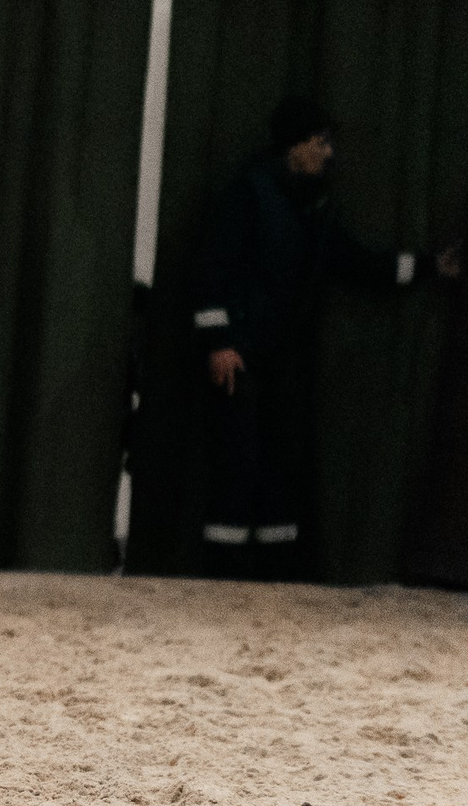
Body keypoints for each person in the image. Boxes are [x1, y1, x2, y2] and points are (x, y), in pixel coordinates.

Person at [192, 95, 458, 578]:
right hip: (243, 355)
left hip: (284, 359)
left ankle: (273, 574)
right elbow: (215, 269)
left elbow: (356, 262)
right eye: (321, 142)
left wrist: (429, 267)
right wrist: (221, 343)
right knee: (238, 460)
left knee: (281, 461)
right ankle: (222, 573)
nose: (328, 153)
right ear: (295, 146)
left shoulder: (315, 208)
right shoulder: (248, 194)